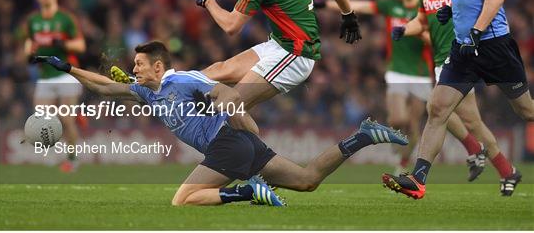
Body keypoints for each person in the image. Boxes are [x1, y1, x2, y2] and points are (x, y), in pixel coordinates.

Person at [31, 41, 408, 207]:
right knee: (308, 180)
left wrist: (247, 125)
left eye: (140, 65)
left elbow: (227, 95)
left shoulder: (184, 81)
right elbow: (106, 86)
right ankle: (362, 137)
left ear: (159, 66)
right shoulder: (149, 91)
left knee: (182, 201)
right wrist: (67, 68)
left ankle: (245, 193)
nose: (134, 71)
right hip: (236, 145)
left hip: (229, 143)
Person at [382, 0, 533, 199]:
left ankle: (502, 168)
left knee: (526, 110)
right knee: (437, 109)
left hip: (492, 44)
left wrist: (477, 30)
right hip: (463, 49)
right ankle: (419, 179)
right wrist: (451, 12)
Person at [195, 0, 361, 120]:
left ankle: (265, 152)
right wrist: (348, 15)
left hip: (295, 55)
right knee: (214, 72)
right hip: (279, 45)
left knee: (228, 106)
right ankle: (166, 92)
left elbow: (231, 26)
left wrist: (207, 0)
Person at [324, 0, 433, 174]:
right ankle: (397, 140)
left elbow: (435, 39)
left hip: (421, 73)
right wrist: (327, 4)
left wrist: (421, 33)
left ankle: (402, 164)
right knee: (398, 119)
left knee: (413, 123)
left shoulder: (426, 10)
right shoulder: (391, 6)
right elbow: (361, 6)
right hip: (397, 71)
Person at [24, 0, 86, 172]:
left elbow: (81, 45)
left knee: (66, 119)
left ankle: (73, 158)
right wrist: (29, 52)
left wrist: (63, 44)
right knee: (41, 118)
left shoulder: (66, 19)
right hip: (45, 76)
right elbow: (29, 44)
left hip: (66, 73)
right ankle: (52, 155)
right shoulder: (33, 21)